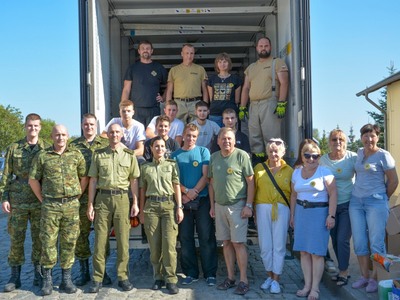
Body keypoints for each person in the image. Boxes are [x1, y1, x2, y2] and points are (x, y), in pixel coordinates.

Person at [29, 125, 87, 296]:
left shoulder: (76, 154)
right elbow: (33, 180)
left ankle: (66, 279)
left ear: (68, 136)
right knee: (48, 242)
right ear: (52, 136)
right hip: (50, 206)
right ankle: (47, 280)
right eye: (57, 135)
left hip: (71, 205)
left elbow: (84, 177)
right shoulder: (43, 156)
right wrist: (43, 199)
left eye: (63, 135)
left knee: (69, 242)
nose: (60, 138)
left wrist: (76, 196)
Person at [86, 123, 140, 293]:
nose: (114, 135)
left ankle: (123, 277)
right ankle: (97, 278)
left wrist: (136, 202)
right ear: (107, 135)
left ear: (122, 134)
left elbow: (134, 181)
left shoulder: (129, 155)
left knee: (123, 241)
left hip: (122, 199)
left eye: (117, 132)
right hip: (102, 199)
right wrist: (90, 204)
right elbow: (93, 180)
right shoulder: (98, 155)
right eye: (111, 132)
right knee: (100, 241)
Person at [0, 113, 49, 292]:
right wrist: (4, 198)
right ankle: (15, 277)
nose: (33, 129)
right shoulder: (14, 148)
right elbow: (6, 175)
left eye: (36, 126)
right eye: (30, 126)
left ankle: (39, 274)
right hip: (18, 200)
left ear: (40, 127)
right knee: (16, 239)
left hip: (39, 200)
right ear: (25, 126)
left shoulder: (46, 148)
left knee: (40, 239)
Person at [349, 124, 398, 293]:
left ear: (377, 137)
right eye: (365, 135)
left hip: (375, 203)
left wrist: (382, 197)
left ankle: (376, 279)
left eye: (372, 136)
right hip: (356, 203)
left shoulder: (384, 155)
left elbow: (393, 181)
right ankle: (364, 276)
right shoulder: (359, 153)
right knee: (360, 242)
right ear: (361, 137)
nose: (369, 139)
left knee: (377, 244)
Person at [209, 127, 254, 295]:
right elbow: (211, 183)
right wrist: (213, 206)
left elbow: (251, 182)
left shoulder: (242, 156)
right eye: (223, 139)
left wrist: (248, 205)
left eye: (229, 138)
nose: (226, 141)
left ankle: (243, 280)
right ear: (218, 141)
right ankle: (230, 277)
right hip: (220, 206)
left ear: (234, 140)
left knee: (238, 243)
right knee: (225, 243)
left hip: (238, 206)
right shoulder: (214, 157)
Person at [171, 124, 218, 286]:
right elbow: (173, 180)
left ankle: (210, 273)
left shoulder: (203, 152)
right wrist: (185, 193)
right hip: (183, 201)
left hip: (202, 200)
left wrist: (194, 192)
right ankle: (190, 273)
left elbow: (206, 176)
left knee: (206, 237)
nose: (191, 139)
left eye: (194, 136)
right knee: (185, 238)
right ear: (183, 136)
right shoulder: (175, 155)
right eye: (188, 135)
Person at [289, 140, 337, 300]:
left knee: (316, 253)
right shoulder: (296, 173)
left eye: (315, 156)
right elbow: (293, 195)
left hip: (319, 213)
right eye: (307, 155)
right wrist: (292, 215)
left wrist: (331, 215)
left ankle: (315, 288)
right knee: (303, 251)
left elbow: (333, 194)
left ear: (319, 157)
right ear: (302, 156)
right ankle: (307, 285)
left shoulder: (325, 172)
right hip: (302, 213)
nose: (311, 159)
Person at [69, 113, 111, 287]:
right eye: (86, 124)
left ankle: (102, 271)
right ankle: (84, 271)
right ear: (81, 125)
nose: (89, 127)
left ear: (97, 126)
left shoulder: (106, 144)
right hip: (81, 196)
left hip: (101, 195)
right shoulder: (73, 146)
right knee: (81, 234)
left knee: (103, 236)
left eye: (92, 124)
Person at [138, 136, 183, 294]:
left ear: (165, 149)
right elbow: (142, 190)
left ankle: (171, 279)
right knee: (155, 246)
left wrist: (179, 207)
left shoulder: (171, 165)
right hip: (151, 207)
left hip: (168, 206)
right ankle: (158, 277)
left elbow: (176, 186)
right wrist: (142, 211)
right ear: (151, 148)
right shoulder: (145, 168)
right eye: (156, 146)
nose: (159, 149)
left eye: (162, 146)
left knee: (169, 245)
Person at [240, 37, 289, 161]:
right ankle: (258, 164)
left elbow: (284, 82)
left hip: (269, 103)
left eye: (266, 46)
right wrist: (242, 106)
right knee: (254, 137)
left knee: (271, 137)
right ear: (257, 48)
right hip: (253, 105)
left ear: (270, 47)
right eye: (261, 46)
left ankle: (274, 164)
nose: (263, 48)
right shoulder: (251, 68)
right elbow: (245, 88)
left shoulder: (276, 62)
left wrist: (281, 102)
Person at [254, 138, 293, 294]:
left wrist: (293, 215)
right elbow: (254, 190)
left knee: (279, 245)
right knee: (265, 246)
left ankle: (276, 279)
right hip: (262, 207)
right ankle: (269, 275)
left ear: (282, 152)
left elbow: (294, 194)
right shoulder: (258, 168)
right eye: (271, 151)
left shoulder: (289, 170)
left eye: (276, 151)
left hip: (282, 209)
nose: (273, 153)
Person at [319, 129, 357, 286]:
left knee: (343, 239)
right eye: (334, 139)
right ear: (329, 142)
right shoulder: (323, 160)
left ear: (346, 142)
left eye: (341, 139)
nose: (338, 142)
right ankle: (342, 268)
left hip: (348, 204)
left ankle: (344, 272)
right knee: (334, 239)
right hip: (330, 206)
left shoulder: (353, 158)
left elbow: (362, 175)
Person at [121, 40, 168, 127]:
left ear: (151, 51)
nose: (145, 50)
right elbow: (126, 89)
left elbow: (169, 85)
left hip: (153, 108)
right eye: (143, 48)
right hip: (136, 109)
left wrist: (163, 97)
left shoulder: (159, 68)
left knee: (153, 136)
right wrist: (123, 107)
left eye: (147, 48)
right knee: (137, 136)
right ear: (139, 51)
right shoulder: (132, 68)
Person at [166, 43, 208, 123]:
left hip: (195, 103)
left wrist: (205, 105)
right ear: (182, 54)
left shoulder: (200, 69)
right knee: (179, 128)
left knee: (196, 129)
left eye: (191, 53)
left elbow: (204, 89)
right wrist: (168, 106)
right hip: (179, 104)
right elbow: (169, 91)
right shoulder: (174, 70)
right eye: (187, 53)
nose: (189, 56)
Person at [207, 53, 243, 127]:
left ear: (229, 63)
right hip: (215, 113)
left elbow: (237, 100)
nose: (222, 64)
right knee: (215, 136)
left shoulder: (236, 79)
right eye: (220, 62)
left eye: (225, 62)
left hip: (230, 114)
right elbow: (211, 98)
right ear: (217, 64)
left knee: (230, 136)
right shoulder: (212, 79)